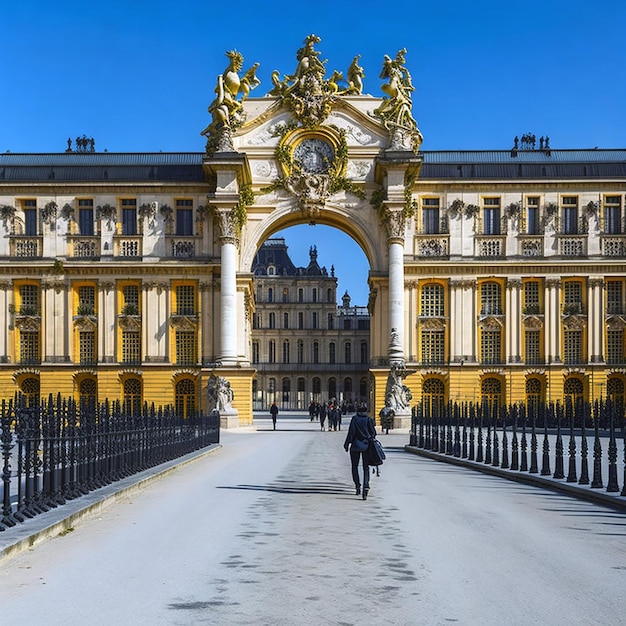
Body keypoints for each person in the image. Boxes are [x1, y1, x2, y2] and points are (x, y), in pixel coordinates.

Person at [343, 403, 376, 500]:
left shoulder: (355, 419)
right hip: (366, 446)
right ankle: (366, 486)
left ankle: (357, 486)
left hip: (355, 446)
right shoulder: (369, 420)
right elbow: (373, 433)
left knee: (354, 466)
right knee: (366, 467)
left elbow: (351, 433)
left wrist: (346, 444)